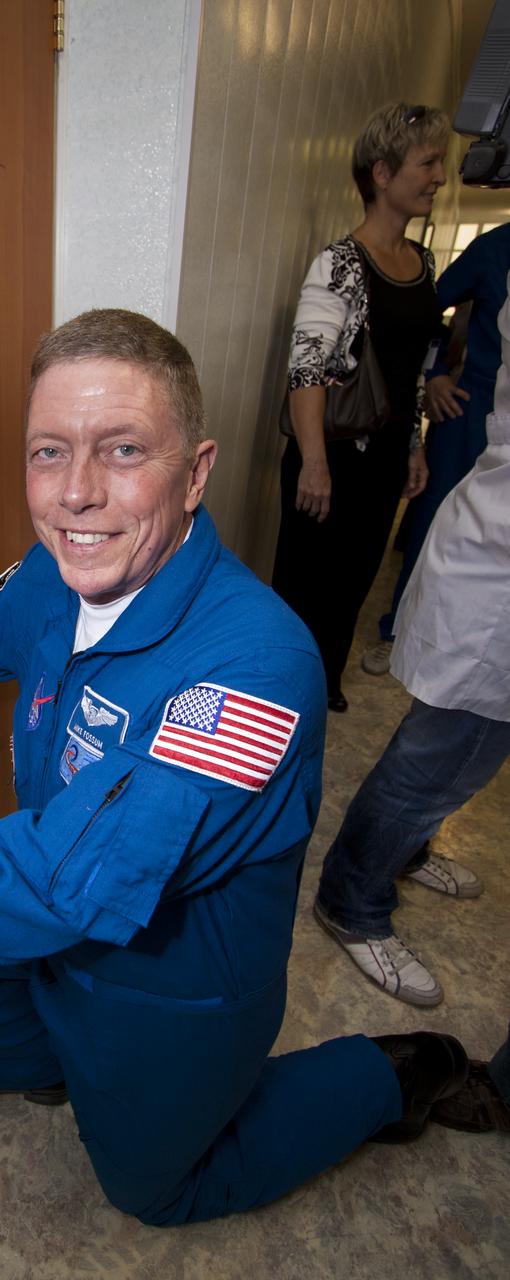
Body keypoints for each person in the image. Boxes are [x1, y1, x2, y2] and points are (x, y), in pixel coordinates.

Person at [0, 309, 467, 1227]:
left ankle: (391, 1074)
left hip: (166, 988)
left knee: (157, 1192)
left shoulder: (254, 672)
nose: (76, 495)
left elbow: (56, 891)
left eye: (125, 450)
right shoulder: (54, 577)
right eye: (49, 452)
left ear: (197, 474)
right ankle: (41, 1062)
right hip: (64, 932)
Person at [314, 275, 510, 1008]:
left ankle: (409, 847)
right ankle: (352, 898)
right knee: (444, 755)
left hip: (493, 566)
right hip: (498, 583)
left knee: (458, 754)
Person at [272, 102, 448, 712]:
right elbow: (306, 368)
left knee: (353, 581)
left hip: (386, 455)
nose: (439, 177)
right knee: (306, 583)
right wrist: (315, 464)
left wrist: (416, 444)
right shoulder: (341, 265)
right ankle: (283, 694)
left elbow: (419, 367)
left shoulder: (422, 263)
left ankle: (323, 683)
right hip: (334, 456)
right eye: (427, 163)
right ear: (382, 172)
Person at [362, 220, 510, 675]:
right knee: (434, 521)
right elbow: (427, 313)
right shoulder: (495, 248)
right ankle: (398, 631)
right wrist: (437, 373)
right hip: (476, 407)